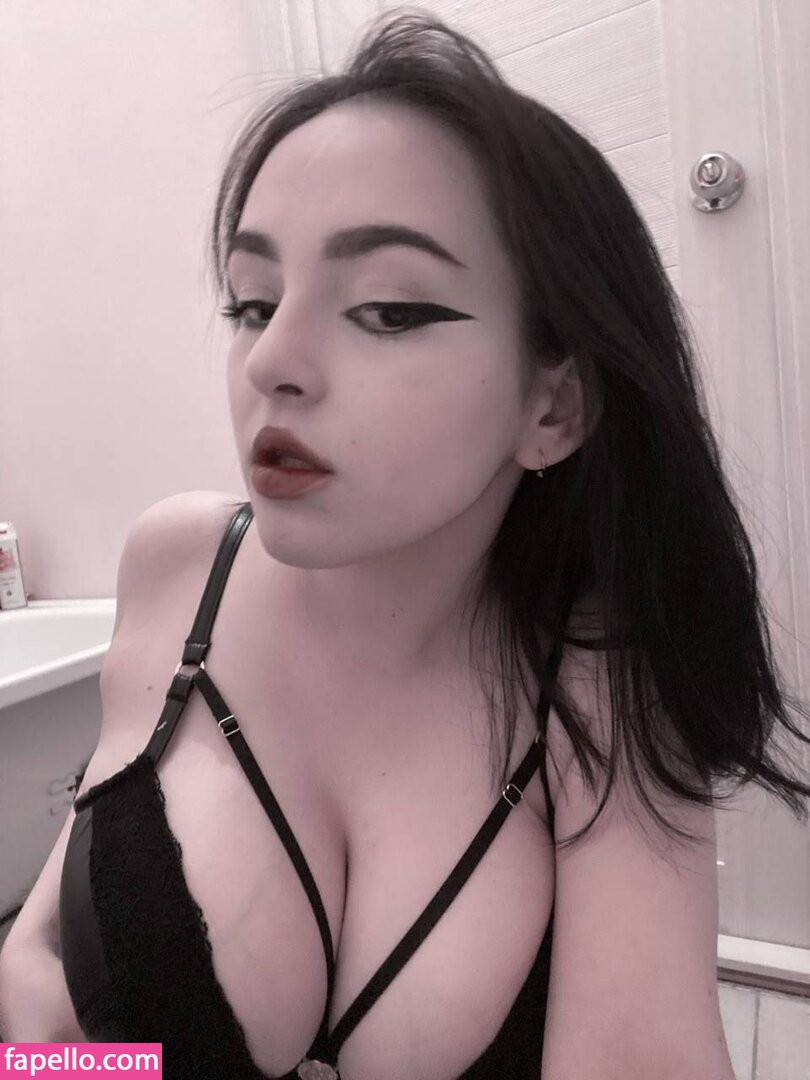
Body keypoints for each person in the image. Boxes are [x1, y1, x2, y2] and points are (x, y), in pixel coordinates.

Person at [1, 10, 807, 1079]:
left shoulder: (603, 675)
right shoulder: (179, 565)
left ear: (553, 408)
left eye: (385, 310)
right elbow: (35, 995)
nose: (271, 364)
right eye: (253, 303)